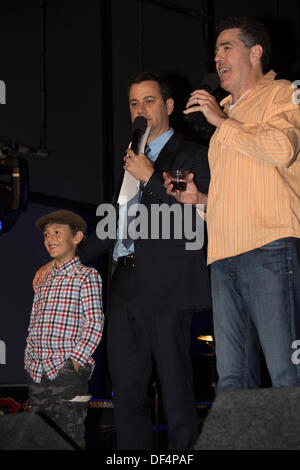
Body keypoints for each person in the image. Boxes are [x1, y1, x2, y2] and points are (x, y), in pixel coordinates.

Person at [33, 72, 211, 450]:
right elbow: (116, 224)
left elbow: (191, 220)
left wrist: (149, 178)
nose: (140, 110)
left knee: (176, 390)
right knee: (127, 392)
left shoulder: (192, 154)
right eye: (133, 103)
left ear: (168, 106)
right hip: (122, 285)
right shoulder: (133, 159)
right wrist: (67, 258)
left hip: (166, 286)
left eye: (148, 101)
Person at [165, 16, 300, 392]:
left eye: (227, 47)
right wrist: (200, 200)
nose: (217, 56)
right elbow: (240, 190)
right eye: (215, 50)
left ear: (255, 53)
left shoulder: (284, 94)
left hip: (270, 248)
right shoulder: (225, 112)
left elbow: (281, 149)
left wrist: (222, 122)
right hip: (223, 258)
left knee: (287, 374)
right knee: (231, 381)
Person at [25, 210, 104, 449]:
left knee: (69, 435)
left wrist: (75, 363)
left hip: (67, 371)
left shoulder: (86, 276)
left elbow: (94, 322)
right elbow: (34, 323)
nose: (50, 238)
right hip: (37, 370)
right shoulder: (44, 280)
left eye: (58, 232)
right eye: (47, 234)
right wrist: (30, 358)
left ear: (77, 237)